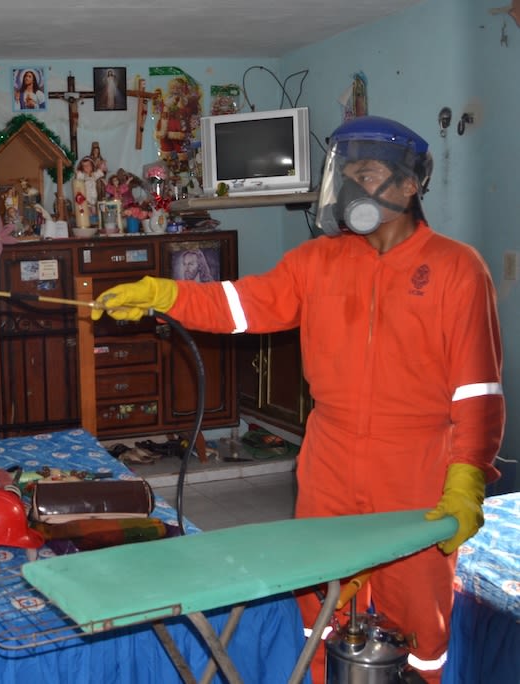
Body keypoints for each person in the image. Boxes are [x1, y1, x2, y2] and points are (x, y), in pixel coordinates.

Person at [93, 116, 505, 683]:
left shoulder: (458, 269)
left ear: (410, 185)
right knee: (322, 611)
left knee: (417, 616)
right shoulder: (318, 262)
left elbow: (478, 391)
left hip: (416, 470)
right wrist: (166, 295)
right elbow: (241, 305)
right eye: (347, 175)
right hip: (329, 461)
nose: (353, 189)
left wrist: (468, 479)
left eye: (370, 174)